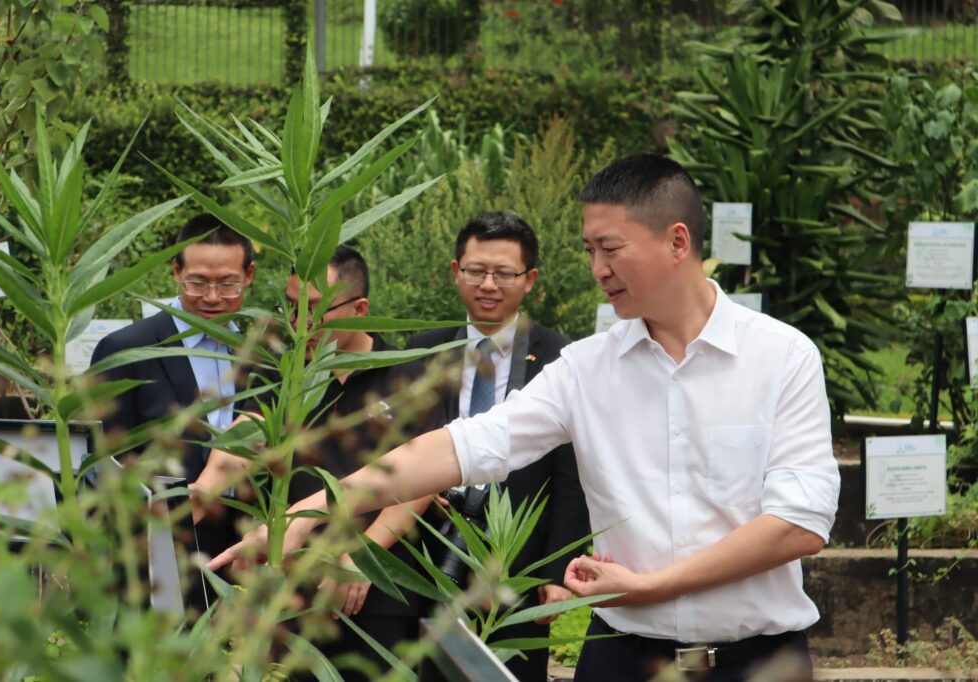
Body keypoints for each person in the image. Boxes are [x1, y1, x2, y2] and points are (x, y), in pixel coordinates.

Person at [209, 155, 841, 682]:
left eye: (610, 248)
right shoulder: (586, 368)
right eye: (589, 249)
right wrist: (307, 515)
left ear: (678, 242)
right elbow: (456, 448)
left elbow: (798, 525)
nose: (597, 269)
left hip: (760, 662)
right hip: (621, 661)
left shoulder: (781, 357)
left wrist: (655, 586)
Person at [191, 245, 426, 682]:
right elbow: (249, 433)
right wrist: (203, 489)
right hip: (288, 590)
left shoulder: (406, 375)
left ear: (360, 310)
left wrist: (366, 555)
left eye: (315, 309)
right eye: (291, 307)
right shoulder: (283, 371)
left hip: (372, 590)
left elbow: (422, 480)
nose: (300, 323)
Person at [399, 211, 589, 682]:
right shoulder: (422, 350)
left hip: (518, 563)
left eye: (504, 273)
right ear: (455, 271)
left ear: (530, 280)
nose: (488, 285)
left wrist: (556, 572)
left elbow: (573, 473)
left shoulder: (561, 357)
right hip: (428, 555)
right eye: (476, 271)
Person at [91, 212, 256, 561]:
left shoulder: (260, 356)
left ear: (249, 276)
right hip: (158, 544)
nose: (212, 297)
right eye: (197, 282)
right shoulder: (126, 350)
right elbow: (100, 463)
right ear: (177, 272)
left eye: (228, 284)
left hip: (245, 546)